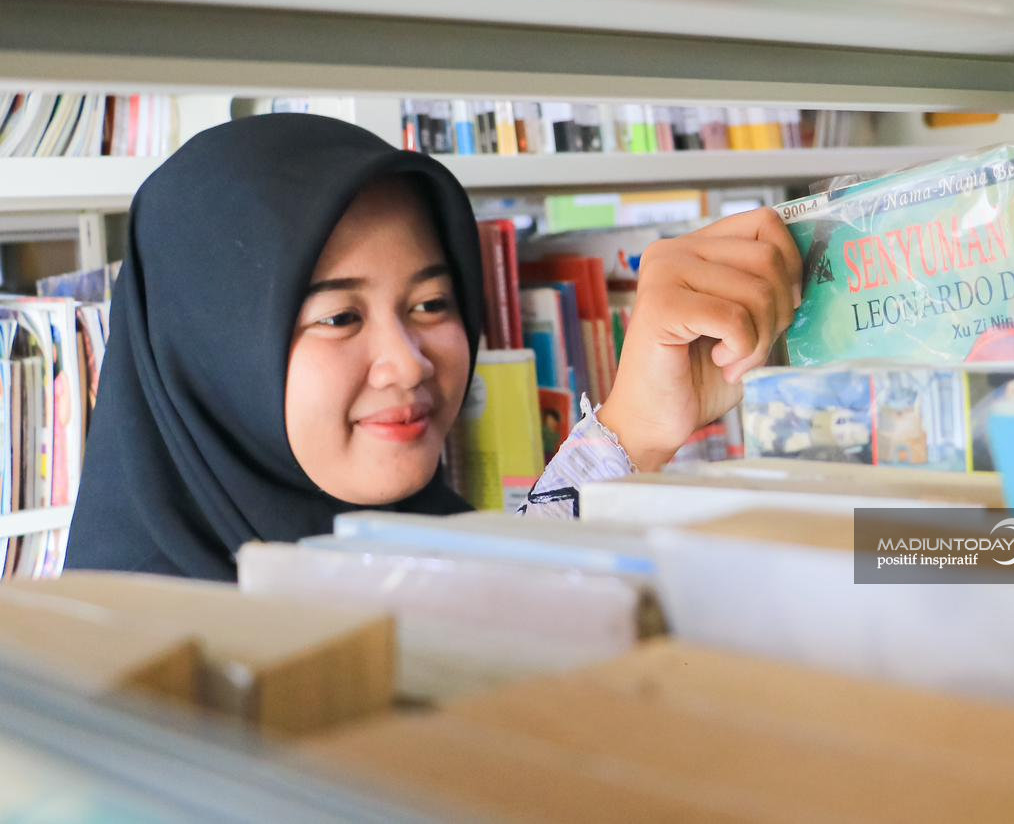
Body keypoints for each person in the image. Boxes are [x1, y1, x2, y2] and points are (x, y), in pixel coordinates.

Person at [67, 114, 801, 579]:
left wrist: (640, 426)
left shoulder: (415, 545)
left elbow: (496, 603)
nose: (409, 362)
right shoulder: (132, 672)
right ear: (210, 359)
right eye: (339, 317)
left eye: (430, 304)